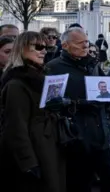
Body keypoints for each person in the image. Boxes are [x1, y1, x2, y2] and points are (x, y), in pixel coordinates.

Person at [45, 27, 110, 192]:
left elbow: (104, 89)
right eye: (80, 43)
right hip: (76, 138)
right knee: (80, 182)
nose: (86, 46)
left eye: (86, 41)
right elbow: (52, 103)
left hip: (100, 134)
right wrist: (78, 103)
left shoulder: (92, 63)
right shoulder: (54, 68)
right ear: (65, 46)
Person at [0, 31, 66, 191]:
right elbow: (15, 127)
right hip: (35, 151)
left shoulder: (41, 77)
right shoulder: (16, 84)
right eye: (37, 47)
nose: (43, 50)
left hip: (49, 146)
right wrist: (28, 162)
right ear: (22, 49)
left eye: (44, 47)